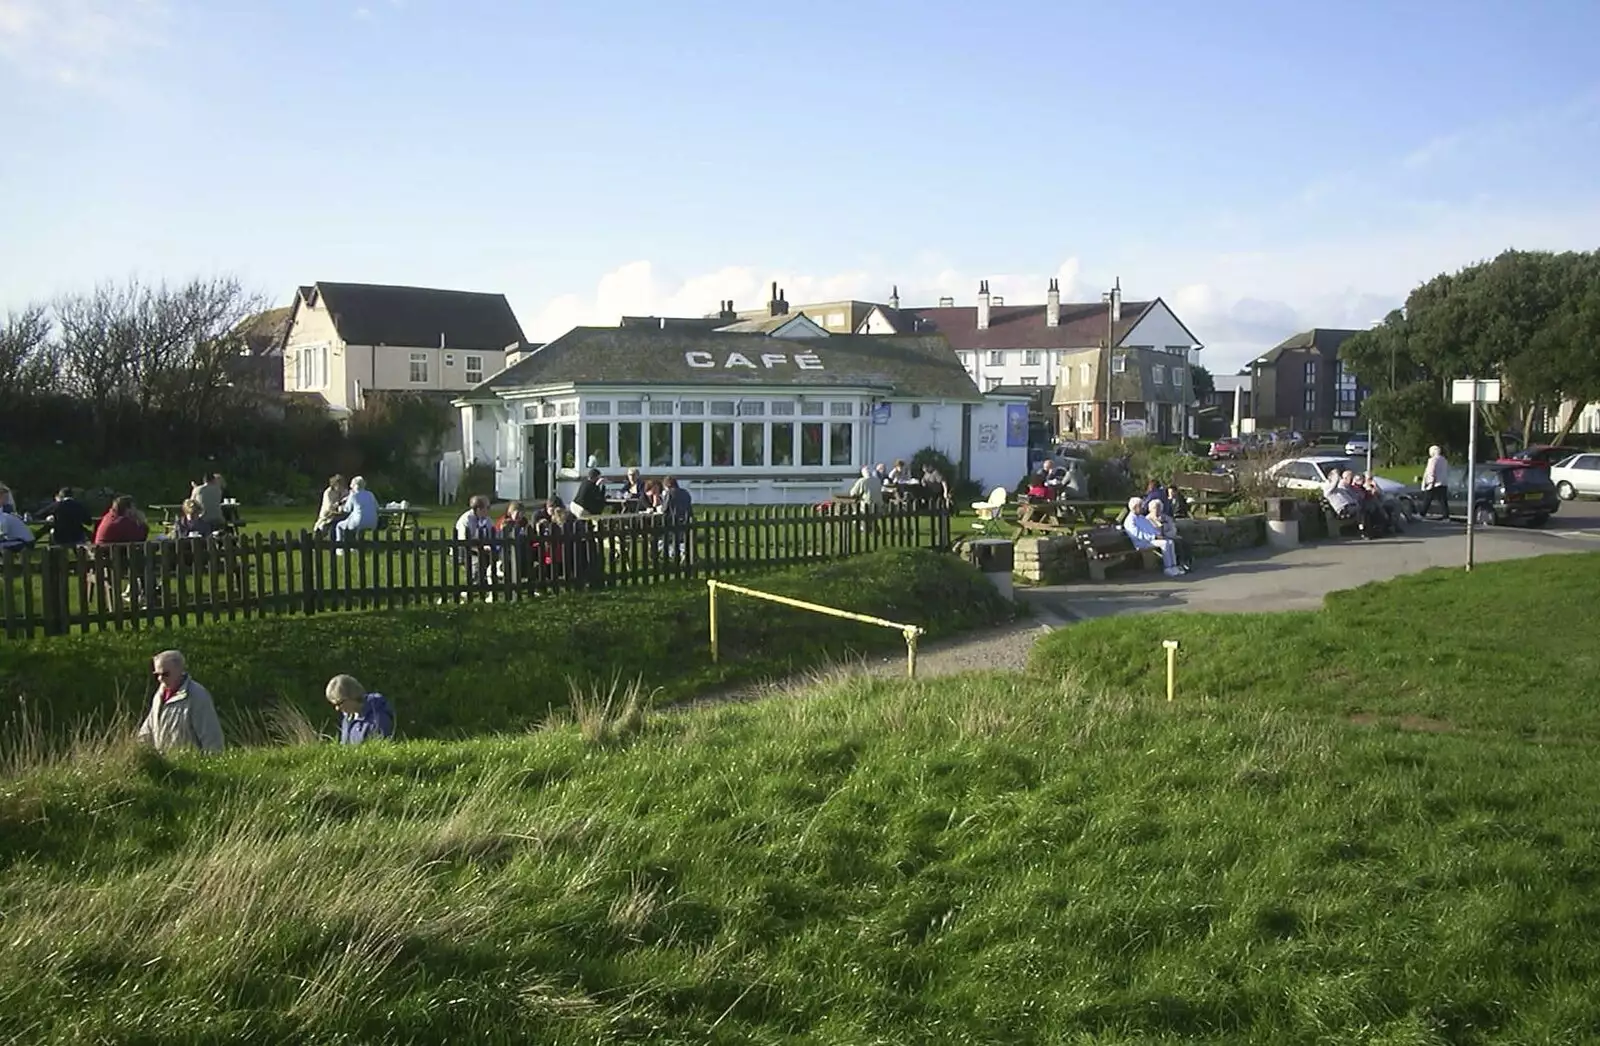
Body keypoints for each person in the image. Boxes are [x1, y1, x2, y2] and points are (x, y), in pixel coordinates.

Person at [138, 649, 224, 753]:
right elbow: (147, 731)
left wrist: (212, 764)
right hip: (165, 765)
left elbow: (211, 736)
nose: (160, 679)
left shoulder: (197, 695)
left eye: (165, 674)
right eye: (157, 675)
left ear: (179, 670)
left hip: (191, 765)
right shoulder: (159, 696)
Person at [1122, 495, 1181, 577]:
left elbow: (1151, 528)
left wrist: (1157, 534)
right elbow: (1138, 534)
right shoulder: (1130, 520)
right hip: (1140, 542)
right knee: (1165, 543)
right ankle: (1167, 568)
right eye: (1140, 506)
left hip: (1149, 540)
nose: (1142, 508)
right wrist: (1154, 537)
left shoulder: (1142, 518)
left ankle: (1173, 566)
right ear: (1134, 507)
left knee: (1170, 542)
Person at [326, 674, 395, 744]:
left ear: (352, 695)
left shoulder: (378, 718)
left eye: (339, 703)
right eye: (334, 705)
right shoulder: (348, 718)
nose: (337, 708)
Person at [1147, 498, 1192, 573]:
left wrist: (1168, 534)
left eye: (1158, 508)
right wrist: (1163, 534)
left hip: (1169, 536)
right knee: (1177, 543)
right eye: (1154, 508)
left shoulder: (1166, 517)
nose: (1157, 510)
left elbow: (1173, 529)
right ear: (1150, 509)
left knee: (1184, 541)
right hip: (1158, 539)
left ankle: (1186, 562)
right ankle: (1179, 564)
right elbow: (1154, 532)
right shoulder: (1148, 519)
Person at [336, 476, 379, 543]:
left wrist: (341, 506)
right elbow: (377, 507)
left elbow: (347, 509)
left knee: (339, 526)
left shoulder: (353, 495)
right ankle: (357, 544)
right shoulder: (370, 494)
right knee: (352, 519)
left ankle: (340, 548)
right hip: (373, 522)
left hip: (359, 522)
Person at [1420, 444, 1450, 520]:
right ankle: (1446, 515)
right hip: (1443, 482)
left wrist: (1430, 483)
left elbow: (1431, 472)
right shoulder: (1444, 460)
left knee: (1427, 498)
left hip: (1434, 483)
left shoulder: (1432, 460)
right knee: (1443, 500)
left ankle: (1422, 513)